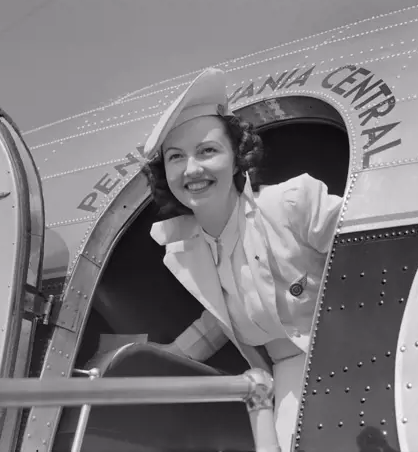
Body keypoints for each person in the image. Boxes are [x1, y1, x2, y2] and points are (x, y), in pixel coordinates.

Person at [140, 67, 342, 451]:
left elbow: (367, 244)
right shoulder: (188, 249)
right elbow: (222, 316)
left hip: (352, 352)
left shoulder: (292, 203)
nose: (192, 169)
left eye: (207, 151)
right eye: (176, 157)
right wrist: (158, 361)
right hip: (288, 376)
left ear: (237, 159)